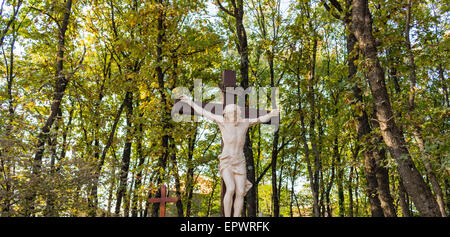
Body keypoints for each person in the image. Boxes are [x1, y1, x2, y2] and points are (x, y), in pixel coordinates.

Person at [179, 94, 279, 217]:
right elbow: (204, 112)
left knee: (241, 192)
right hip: (227, 160)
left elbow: (259, 119)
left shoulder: (245, 123)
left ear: (238, 113)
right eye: (231, 113)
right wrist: (190, 101)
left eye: (235, 112)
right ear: (226, 114)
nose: (233, 115)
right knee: (231, 188)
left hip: (239, 161)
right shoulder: (222, 122)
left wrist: (271, 114)